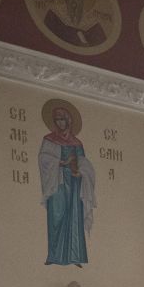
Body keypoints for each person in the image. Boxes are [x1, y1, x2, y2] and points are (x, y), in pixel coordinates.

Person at [38, 103, 95, 267]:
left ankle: (75, 256)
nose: (60, 123)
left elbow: (83, 162)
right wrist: (62, 162)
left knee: (74, 217)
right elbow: (43, 159)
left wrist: (79, 171)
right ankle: (54, 255)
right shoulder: (49, 140)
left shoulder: (76, 143)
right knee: (57, 214)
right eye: (57, 120)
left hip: (75, 183)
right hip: (58, 181)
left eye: (62, 119)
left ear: (68, 120)